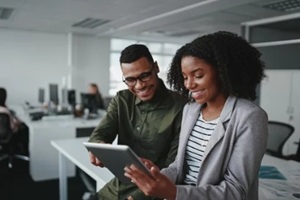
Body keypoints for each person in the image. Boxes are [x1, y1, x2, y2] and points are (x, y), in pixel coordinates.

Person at [124, 31, 268, 200]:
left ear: (222, 71)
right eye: (185, 77)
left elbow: (236, 191)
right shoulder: (190, 110)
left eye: (198, 75)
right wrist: (155, 176)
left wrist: (174, 193)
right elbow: (179, 167)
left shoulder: (249, 116)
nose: (189, 85)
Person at [87, 44, 187, 200]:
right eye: (130, 80)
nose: (140, 85)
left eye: (145, 75)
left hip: (149, 194)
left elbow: (172, 169)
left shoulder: (181, 107)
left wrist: (137, 197)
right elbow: (98, 135)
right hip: (115, 189)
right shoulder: (121, 100)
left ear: (156, 67)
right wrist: (99, 146)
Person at [0, 87, 29, 156]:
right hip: (9, 137)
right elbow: (12, 127)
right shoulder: (5, 111)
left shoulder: (4, 110)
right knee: (25, 128)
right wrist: (18, 123)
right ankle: (25, 152)